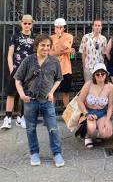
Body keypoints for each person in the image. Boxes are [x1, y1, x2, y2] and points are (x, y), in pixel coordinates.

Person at [14, 34, 64, 167]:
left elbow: (59, 78)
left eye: (48, 45)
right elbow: (17, 79)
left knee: (53, 128)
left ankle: (57, 153)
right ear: (37, 46)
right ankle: (34, 153)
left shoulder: (54, 61)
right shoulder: (28, 60)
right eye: (43, 45)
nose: (45, 48)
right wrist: (22, 95)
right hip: (30, 100)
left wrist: (52, 92)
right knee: (30, 128)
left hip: (47, 101)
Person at [1, 14, 35, 130]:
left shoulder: (34, 38)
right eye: (24, 23)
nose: (26, 25)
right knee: (11, 93)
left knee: (25, 95)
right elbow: (10, 54)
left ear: (32, 24)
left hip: (29, 71)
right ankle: (8, 118)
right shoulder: (15, 36)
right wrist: (11, 69)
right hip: (16, 69)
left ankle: (21, 117)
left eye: (29, 23)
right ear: (21, 23)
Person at [76, 63, 113, 148]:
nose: (100, 75)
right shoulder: (88, 84)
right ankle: (87, 136)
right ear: (94, 75)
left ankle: (99, 133)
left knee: (107, 133)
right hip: (89, 111)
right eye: (97, 74)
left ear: (106, 74)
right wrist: (86, 114)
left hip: (102, 112)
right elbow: (80, 101)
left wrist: (108, 120)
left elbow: (111, 105)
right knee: (91, 127)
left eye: (102, 73)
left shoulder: (110, 87)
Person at [50, 18, 74, 108]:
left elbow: (65, 47)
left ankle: (67, 115)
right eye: (57, 27)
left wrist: (59, 37)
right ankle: (51, 114)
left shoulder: (69, 36)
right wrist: (65, 50)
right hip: (53, 69)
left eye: (60, 27)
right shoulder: (51, 38)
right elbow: (50, 53)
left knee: (66, 92)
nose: (58, 29)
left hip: (65, 69)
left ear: (64, 28)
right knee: (53, 93)